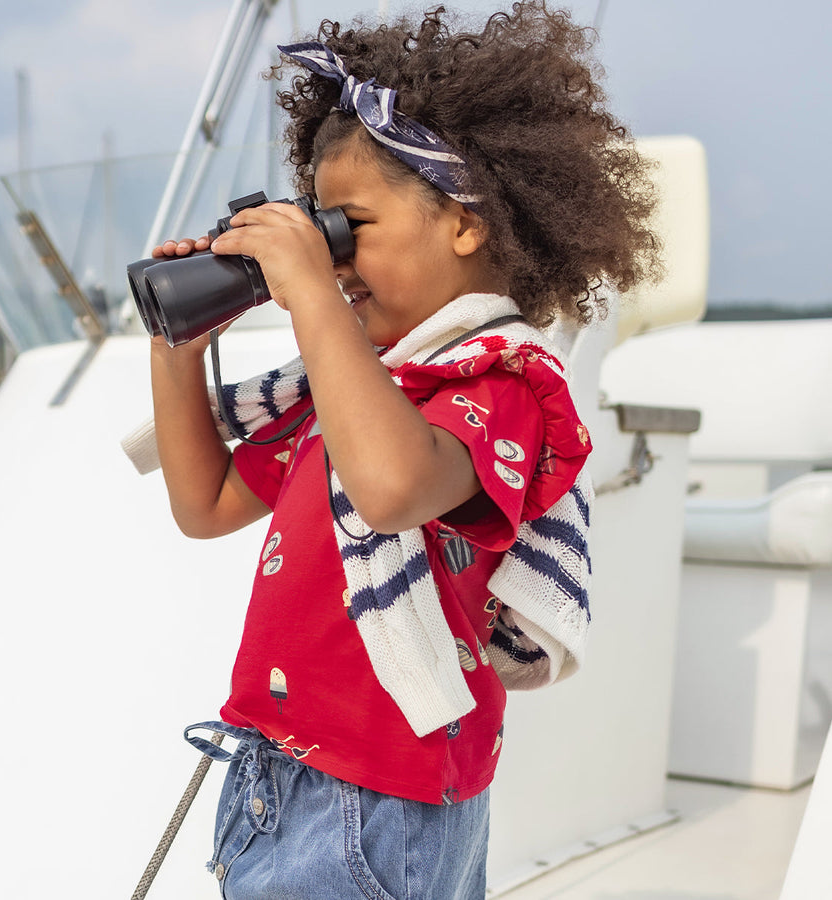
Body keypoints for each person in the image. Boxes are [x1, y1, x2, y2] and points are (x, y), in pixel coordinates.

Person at [145, 3, 660, 897]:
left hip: (380, 804)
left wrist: (306, 291)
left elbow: (391, 489)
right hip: (275, 769)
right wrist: (179, 349)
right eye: (324, 235)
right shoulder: (356, 388)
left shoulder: (502, 384)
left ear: (465, 222)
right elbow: (206, 504)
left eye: (351, 227)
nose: (334, 262)